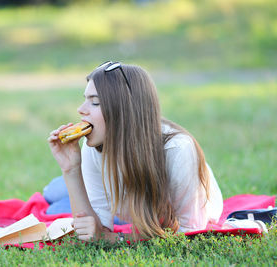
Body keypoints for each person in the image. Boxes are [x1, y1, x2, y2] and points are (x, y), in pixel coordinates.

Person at [47, 61, 223, 242]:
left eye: (95, 102)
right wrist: (71, 170)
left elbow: (189, 233)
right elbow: (96, 230)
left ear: (123, 111)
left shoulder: (178, 151)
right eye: (85, 99)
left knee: (55, 205)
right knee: (52, 194)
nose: (81, 109)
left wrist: (115, 238)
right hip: (123, 203)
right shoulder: (94, 146)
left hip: (139, 204)